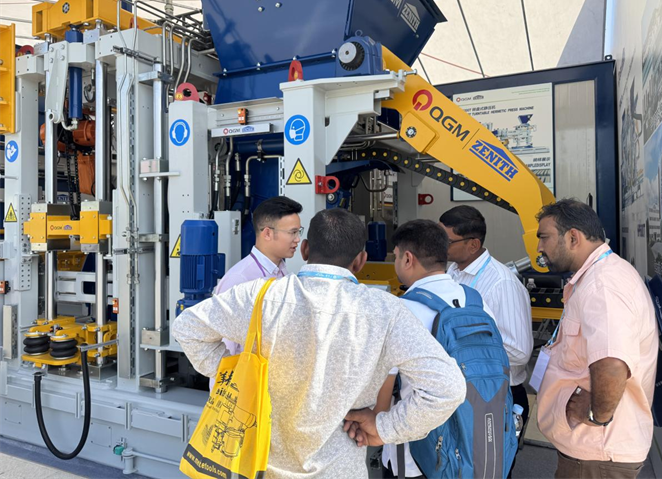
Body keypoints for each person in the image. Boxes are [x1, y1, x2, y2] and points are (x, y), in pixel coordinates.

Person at [172, 209, 466, 479]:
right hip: (341, 470)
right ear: (361, 260)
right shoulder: (385, 312)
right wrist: (384, 428)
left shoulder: (259, 297)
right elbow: (447, 388)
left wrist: (239, 379)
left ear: (305, 249)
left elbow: (187, 327)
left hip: (261, 465)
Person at [535, 199, 658, 479]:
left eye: (544, 237)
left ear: (573, 237)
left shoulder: (603, 285)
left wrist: (596, 415)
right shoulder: (599, 276)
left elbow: (612, 363)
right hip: (593, 453)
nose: (540, 248)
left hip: (596, 454)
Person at [375, 219, 489, 479]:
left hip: (417, 457)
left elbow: (382, 395)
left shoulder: (401, 311)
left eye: (396, 256)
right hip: (472, 444)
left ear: (407, 258)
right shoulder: (475, 302)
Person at [440, 206, 533, 443]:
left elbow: (519, 352)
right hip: (465, 392)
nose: (438, 245)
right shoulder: (453, 272)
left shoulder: (501, 284)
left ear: (473, 244)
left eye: (447, 241)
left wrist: (460, 351)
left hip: (498, 396)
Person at [209, 195, 302, 387]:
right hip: (244, 390)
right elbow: (226, 349)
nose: (297, 239)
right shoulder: (239, 279)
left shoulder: (282, 271)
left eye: (298, 231)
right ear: (267, 233)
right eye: (292, 232)